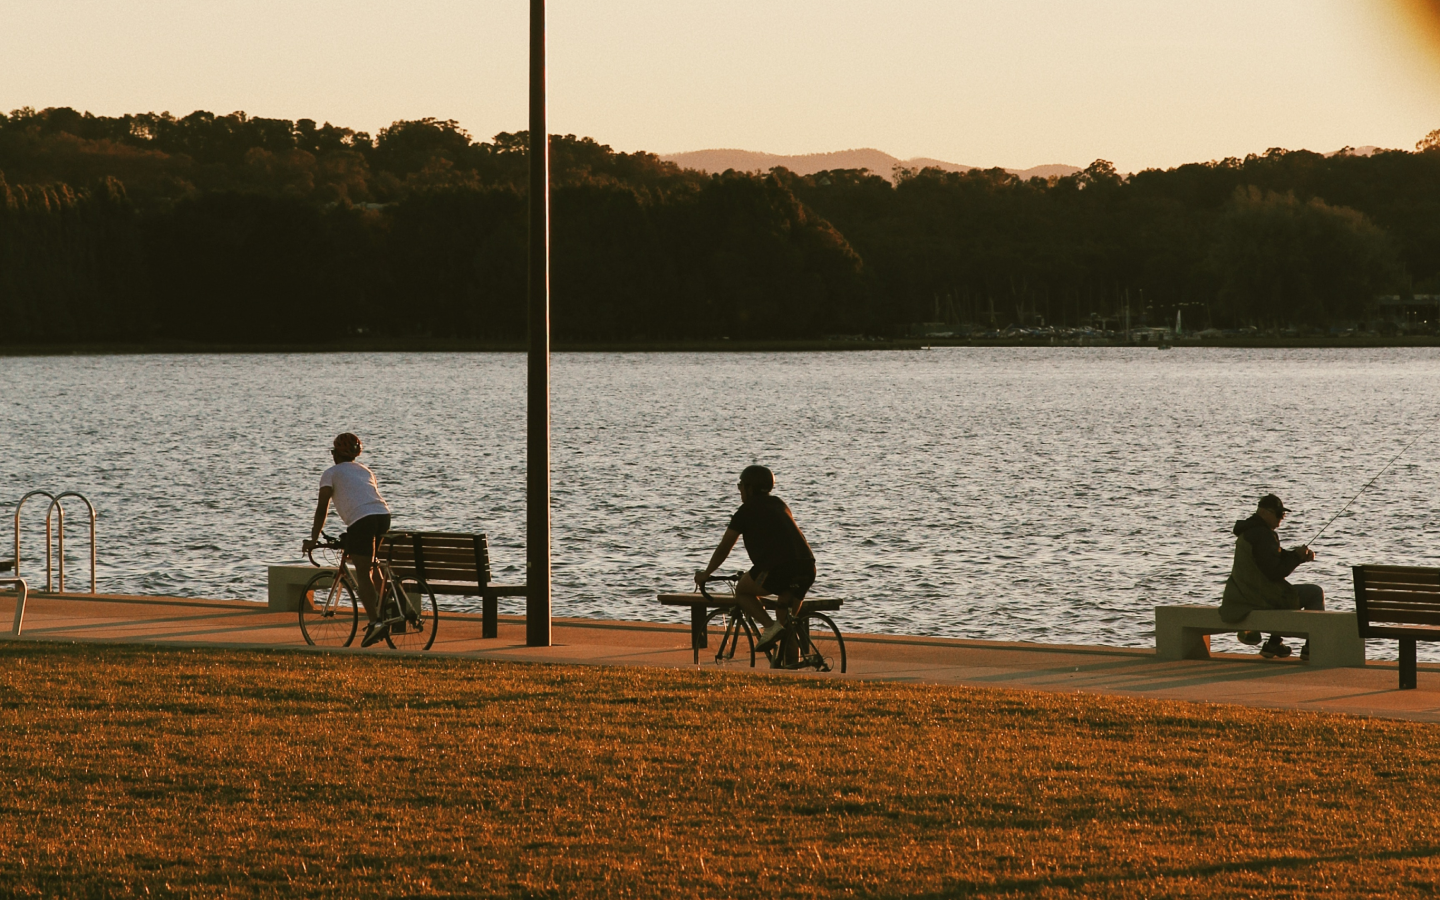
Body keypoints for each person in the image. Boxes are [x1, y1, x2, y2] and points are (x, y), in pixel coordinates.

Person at [696, 465, 816, 652]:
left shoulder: (745, 511)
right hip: (807, 566)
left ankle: (769, 627)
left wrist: (706, 573)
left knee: (742, 591)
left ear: (749, 488)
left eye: (741, 486)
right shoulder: (779, 504)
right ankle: (791, 665)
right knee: (786, 625)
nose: (740, 491)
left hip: (777, 569)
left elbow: (724, 548)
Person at [302, 432, 393, 647]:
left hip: (361, 521)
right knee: (371, 564)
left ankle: (375, 622)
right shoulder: (365, 470)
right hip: (383, 516)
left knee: (362, 572)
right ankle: (389, 607)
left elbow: (322, 507)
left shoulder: (330, 473)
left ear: (336, 455)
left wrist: (314, 539)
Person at [1220, 493, 1324, 660]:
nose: (1281, 519)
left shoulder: (1249, 532)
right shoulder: (1264, 535)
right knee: (1314, 592)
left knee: (1284, 592)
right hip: (1259, 597)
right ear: (1264, 512)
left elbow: (1270, 558)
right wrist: (1297, 558)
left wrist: (1296, 556)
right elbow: (1275, 572)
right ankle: (1313, 647)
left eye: (1283, 515)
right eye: (1278, 514)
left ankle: (1274, 644)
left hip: (1244, 594)